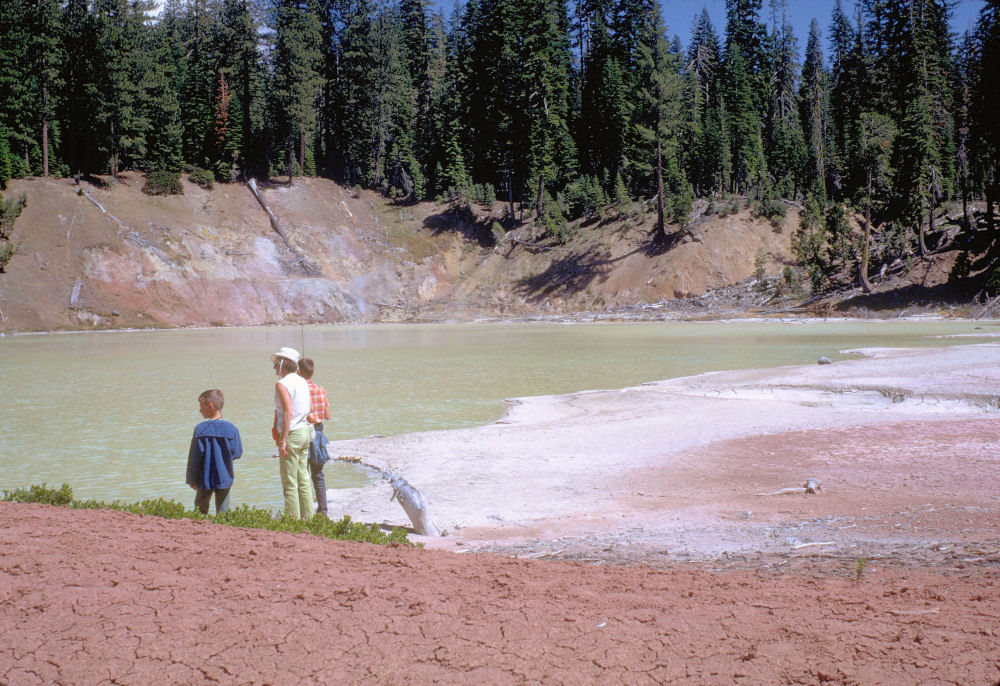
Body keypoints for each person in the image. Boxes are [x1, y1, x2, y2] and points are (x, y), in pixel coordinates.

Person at [271, 346, 314, 519]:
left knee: (289, 482)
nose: (274, 367)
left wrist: (283, 441)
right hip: (305, 432)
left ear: (282, 364)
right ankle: (309, 518)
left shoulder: (282, 384)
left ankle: (293, 521)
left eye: (275, 363)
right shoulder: (303, 381)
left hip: (292, 434)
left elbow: (288, 412)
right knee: (303, 478)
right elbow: (308, 409)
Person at [186, 389, 243, 515]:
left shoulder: (200, 429)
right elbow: (237, 452)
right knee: (223, 512)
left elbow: (195, 457)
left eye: (201, 407)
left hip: (203, 478)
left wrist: (192, 479)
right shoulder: (232, 429)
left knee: (200, 510)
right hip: (225, 476)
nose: (200, 411)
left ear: (210, 406)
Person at [298, 357, 331, 516]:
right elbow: (328, 415)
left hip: (304, 433)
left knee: (302, 474)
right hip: (318, 433)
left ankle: (305, 510)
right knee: (318, 476)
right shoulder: (321, 390)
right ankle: (323, 511)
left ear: (298, 372)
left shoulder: (299, 390)